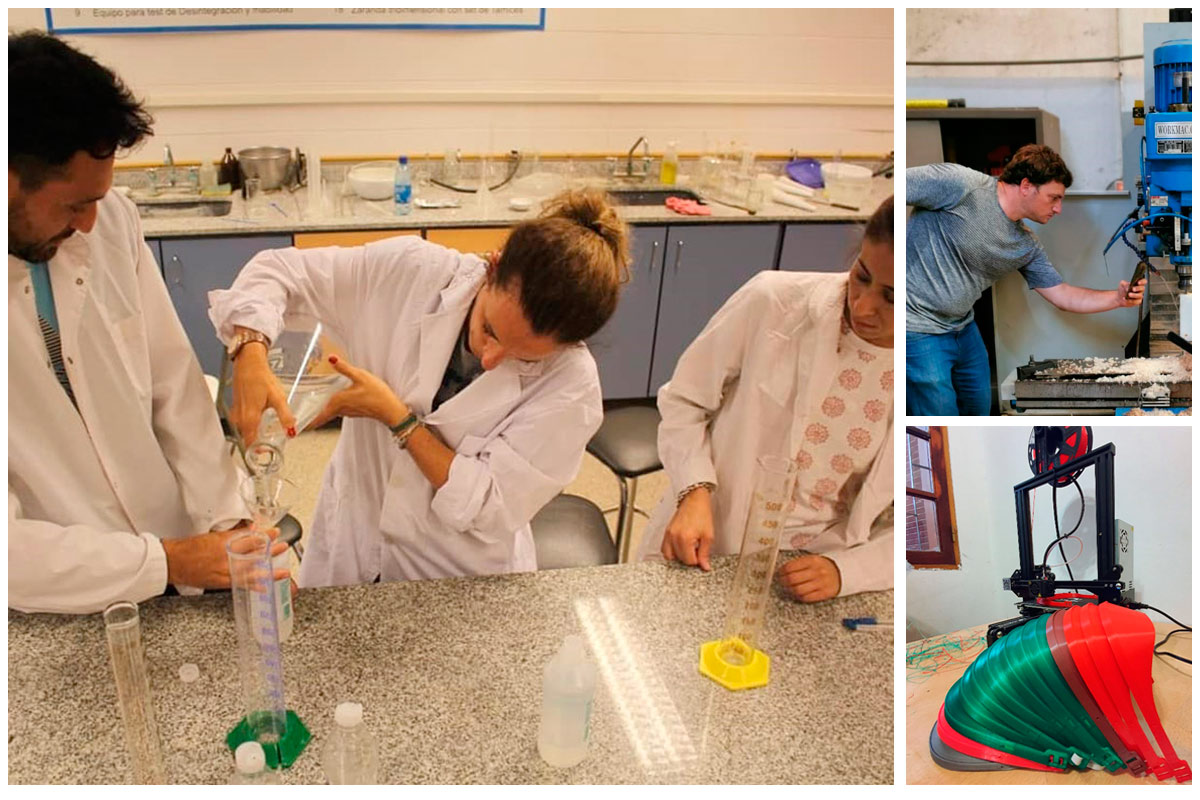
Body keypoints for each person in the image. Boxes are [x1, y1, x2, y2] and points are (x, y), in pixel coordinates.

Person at [209, 189, 630, 586]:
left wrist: (396, 417)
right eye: (489, 330)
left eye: (525, 358)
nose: (490, 359)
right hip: (354, 537)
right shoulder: (410, 272)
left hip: (455, 574)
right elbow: (279, 270)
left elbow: (486, 506)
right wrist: (251, 346)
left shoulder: (571, 387)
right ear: (492, 266)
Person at [7, 32, 282, 615]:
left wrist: (226, 519)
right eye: (74, 204)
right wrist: (165, 561)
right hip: (61, 598)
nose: (90, 223)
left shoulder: (111, 221)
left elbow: (172, 383)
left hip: (174, 555)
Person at [638, 196, 895, 602]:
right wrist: (693, 490)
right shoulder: (774, 300)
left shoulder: (929, 380)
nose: (863, 306)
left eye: (892, 298)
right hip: (713, 534)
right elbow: (685, 400)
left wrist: (845, 571)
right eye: (861, 276)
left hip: (814, 569)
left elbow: (915, 519)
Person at [906, 145, 1145, 415]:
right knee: (939, 415)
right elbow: (892, 188)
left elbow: (1062, 295)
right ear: (1026, 185)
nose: (1058, 209)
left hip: (962, 326)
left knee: (979, 408)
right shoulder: (962, 185)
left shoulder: (1024, 244)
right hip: (916, 325)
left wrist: (1117, 298)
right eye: (1053, 198)